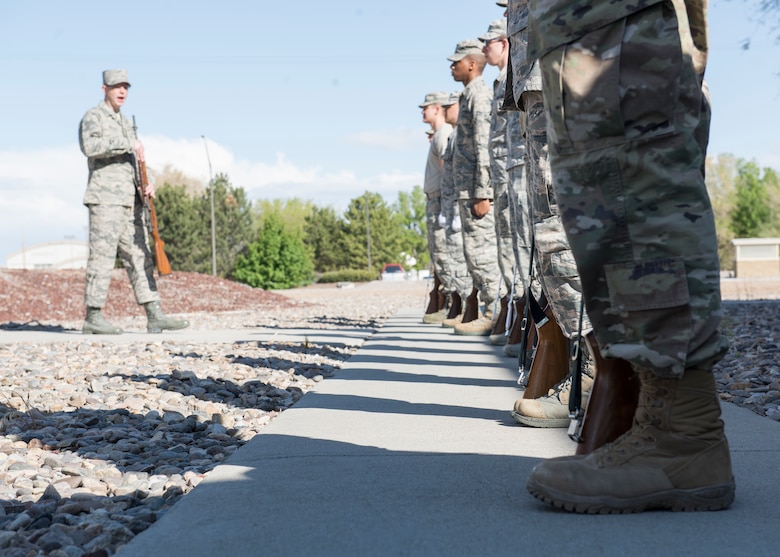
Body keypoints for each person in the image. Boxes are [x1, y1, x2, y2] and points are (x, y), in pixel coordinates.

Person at [509, 0, 735, 512]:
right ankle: (662, 428)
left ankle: (682, 436)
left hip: (611, 18)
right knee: (609, 189)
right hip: (585, 22)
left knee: (634, 182)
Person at [79, 69, 189, 335]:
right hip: (105, 200)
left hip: (132, 201)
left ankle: (154, 314)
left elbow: (135, 162)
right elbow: (90, 147)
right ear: (104, 88)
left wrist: (146, 183)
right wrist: (128, 142)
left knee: (141, 257)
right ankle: (93, 316)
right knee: (102, 258)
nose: (122, 91)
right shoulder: (94, 117)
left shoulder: (126, 122)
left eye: (126, 87)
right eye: (117, 86)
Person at [447, 40, 503, 336]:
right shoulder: (469, 94)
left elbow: (484, 144)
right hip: (468, 189)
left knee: (482, 253)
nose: (452, 66)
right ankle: (490, 310)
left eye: (457, 61)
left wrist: (483, 190)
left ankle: (495, 313)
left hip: (476, 189)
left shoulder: (479, 94)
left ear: (471, 64)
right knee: (474, 253)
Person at [420, 92, 454, 324]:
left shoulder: (443, 134)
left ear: (437, 108)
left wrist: (444, 206)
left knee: (443, 253)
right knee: (438, 254)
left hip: (440, 199)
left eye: (426, 107)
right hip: (435, 199)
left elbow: (445, 170)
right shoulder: (440, 133)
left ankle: (450, 303)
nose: (422, 111)